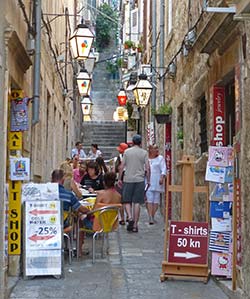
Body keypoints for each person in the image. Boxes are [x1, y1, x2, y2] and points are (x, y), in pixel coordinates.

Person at [118, 134, 150, 233]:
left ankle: (130, 217)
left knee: (126, 200)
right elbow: (148, 168)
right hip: (139, 180)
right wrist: (148, 180)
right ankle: (135, 225)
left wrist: (119, 178)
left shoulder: (127, 152)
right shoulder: (144, 153)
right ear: (140, 142)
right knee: (137, 202)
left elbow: (121, 166)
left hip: (128, 179)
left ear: (132, 142)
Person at [146, 144, 166, 224]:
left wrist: (162, 177)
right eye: (155, 148)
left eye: (157, 148)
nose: (157, 150)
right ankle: (150, 217)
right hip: (148, 181)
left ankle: (152, 216)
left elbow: (163, 169)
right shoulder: (146, 159)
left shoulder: (160, 159)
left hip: (157, 181)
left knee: (156, 200)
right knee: (149, 199)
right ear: (150, 150)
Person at [114, 142, 128, 225]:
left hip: (121, 180)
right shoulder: (131, 158)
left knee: (121, 201)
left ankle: (122, 218)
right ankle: (128, 217)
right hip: (129, 180)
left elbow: (117, 169)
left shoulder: (119, 158)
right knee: (128, 201)